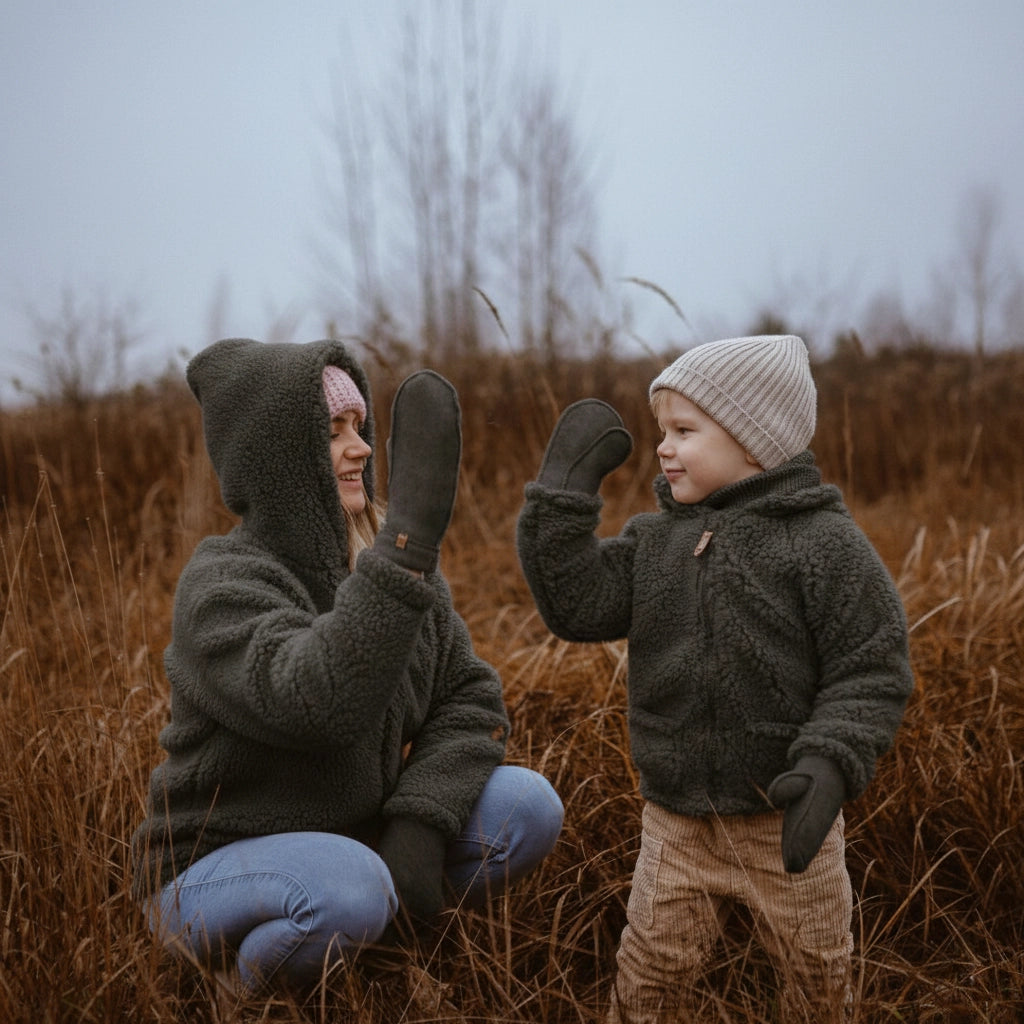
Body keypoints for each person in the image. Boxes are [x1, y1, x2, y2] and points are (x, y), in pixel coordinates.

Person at [131, 337, 563, 995]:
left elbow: (469, 695)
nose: (361, 448)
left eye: (360, 426)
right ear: (279, 458)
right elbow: (316, 703)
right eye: (333, 432)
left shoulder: (382, 561)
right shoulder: (223, 583)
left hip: (353, 847)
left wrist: (420, 821)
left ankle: (380, 952)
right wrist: (402, 559)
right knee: (346, 886)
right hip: (212, 870)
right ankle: (238, 994)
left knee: (526, 805)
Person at [516, 335, 913, 1022]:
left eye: (684, 431)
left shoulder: (822, 543)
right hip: (676, 821)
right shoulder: (656, 542)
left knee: (816, 979)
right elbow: (578, 605)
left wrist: (827, 765)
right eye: (662, 431)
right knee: (649, 975)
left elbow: (870, 665)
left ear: (755, 442)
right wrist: (560, 501)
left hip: (786, 821)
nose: (663, 449)